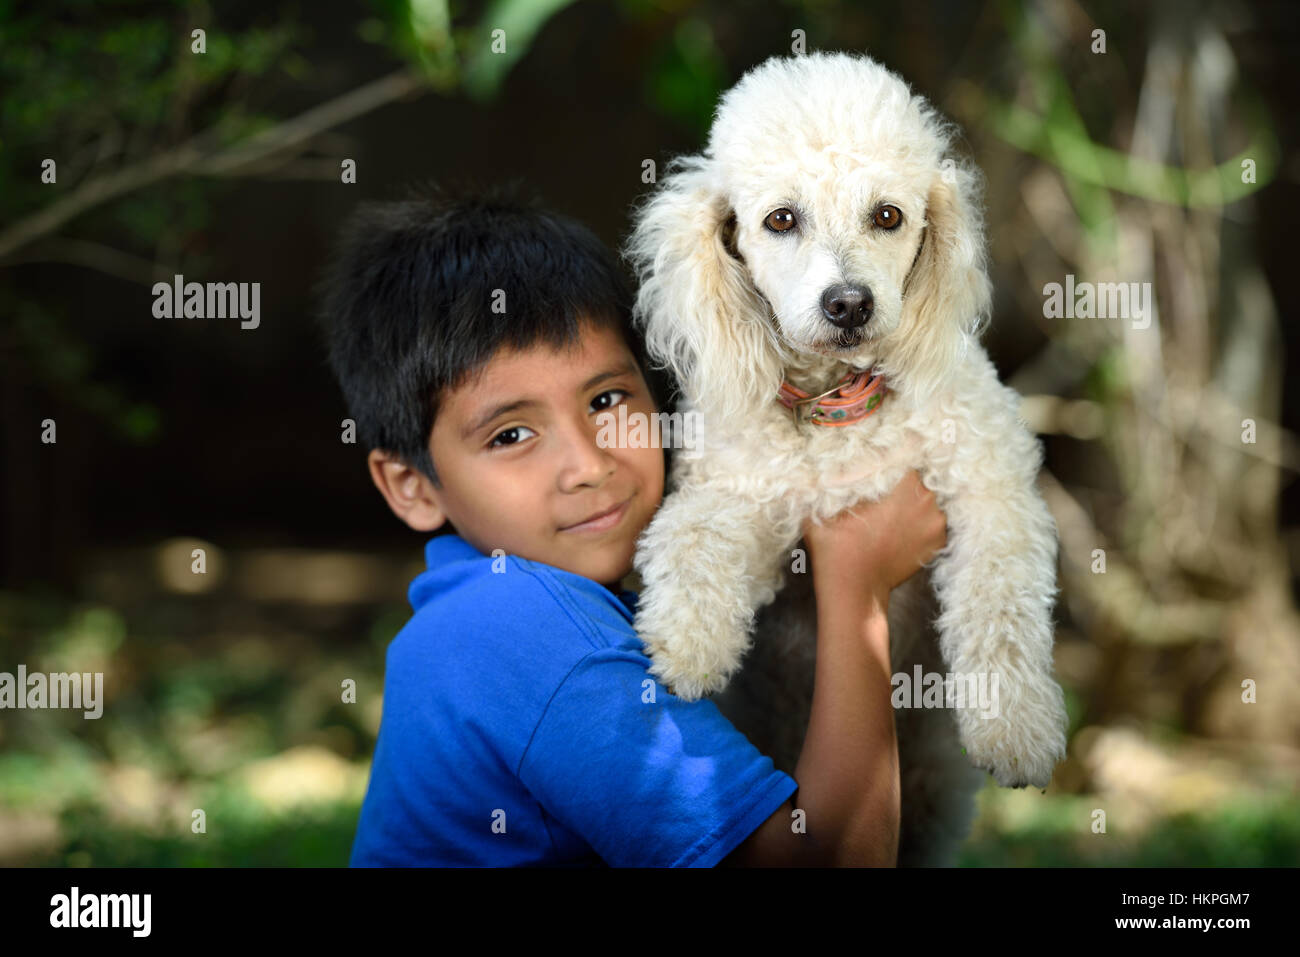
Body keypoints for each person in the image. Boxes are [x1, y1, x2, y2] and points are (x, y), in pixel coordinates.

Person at [315, 181, 948, 867]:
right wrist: (857, 583)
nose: (587, 463)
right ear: (411, 486)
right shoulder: (518, 624)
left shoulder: (472, 603)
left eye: (608, 398)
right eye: (510, 435)